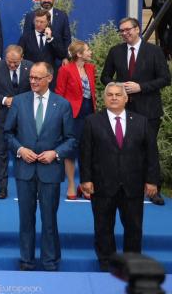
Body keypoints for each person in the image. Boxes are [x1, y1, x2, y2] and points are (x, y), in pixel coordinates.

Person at [4, 62, 77, 271]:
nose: (33, 81)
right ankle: (26, 260)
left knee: (49, 219)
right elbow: (7, 133)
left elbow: (71, 139)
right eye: (31, 77)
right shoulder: (19, 102)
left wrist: (56, 153)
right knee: (26, 218)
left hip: (50, 171)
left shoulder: (62, 104)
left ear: (49, 78)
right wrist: (20, 150)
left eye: (38, 78)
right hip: (25, 170)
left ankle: (50, 260)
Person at [79, 83, 160, 271]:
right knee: (103, 227)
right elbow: (85, 153)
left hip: (133, 185)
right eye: (110, 94)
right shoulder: (92, 121)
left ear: (126, 98)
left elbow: (151, 154)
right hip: (102, 184)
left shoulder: (141, 121)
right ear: (104, 98)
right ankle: (107, 263)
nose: (114, 98)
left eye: (117, 95)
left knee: (133, 227)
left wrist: (152, 180)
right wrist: (86, 179)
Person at [101, 16, 171, 205]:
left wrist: (141, 87)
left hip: (149, 110)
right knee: (123, 148)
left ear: (137, 29)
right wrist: (117, 86)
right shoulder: (115, 51)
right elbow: (105, 77)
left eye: (128, 29)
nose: (125, 33)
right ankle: (124, 186)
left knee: (150, 149)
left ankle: (154, 189)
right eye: (122, 31)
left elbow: (165, 78)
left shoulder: (154, 51)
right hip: (122, 111)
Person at [0, 45, 33, 199]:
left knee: (25, 151)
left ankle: (27, 186)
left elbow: (36, 88)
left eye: (15, 63)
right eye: (9, 61)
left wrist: (20, 102)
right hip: (3, 116)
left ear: (22, 58)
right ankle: (2, 188)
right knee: (2, 153)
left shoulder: (30, 67)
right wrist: (4, 100)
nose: (11, 65)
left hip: (24, 116)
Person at [55, 39, 96, 200]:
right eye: (87, 50)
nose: (90, 52)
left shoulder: (91, 68)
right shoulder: (65, 69)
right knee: (71, 151)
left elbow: (92, 93)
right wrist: (60, 116)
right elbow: (59, 93)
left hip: (90, 114)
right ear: (79, 54)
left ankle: (85, 185)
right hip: (72, 116)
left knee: (87, 150)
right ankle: (71, 184)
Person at [22, 0, 72, 68]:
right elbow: (26, 38)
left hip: (57, 61)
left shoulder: (62, 16)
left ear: (54, 0)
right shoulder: (30, 15)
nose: (46, 0)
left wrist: (66, 57)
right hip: (34, 63)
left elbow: (67, 38)